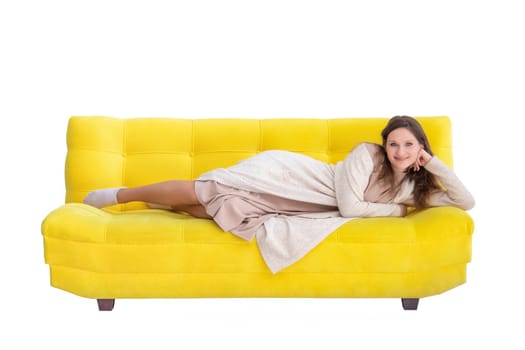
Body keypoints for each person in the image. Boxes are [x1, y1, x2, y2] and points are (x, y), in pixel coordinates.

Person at [84, 116, 475, 242]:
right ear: (384, 146)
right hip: (291, 177)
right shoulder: (365, 154)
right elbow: (350, 206)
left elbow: (465, 201)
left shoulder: (414, 186)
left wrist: (435, 166)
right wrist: (397, 212)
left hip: (304, 207)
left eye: (409, 145)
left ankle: (161, 204)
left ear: (420, 148)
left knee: (215, 212)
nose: (400, 152)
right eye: (394, 144)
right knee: (206, 190)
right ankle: (117, 195)